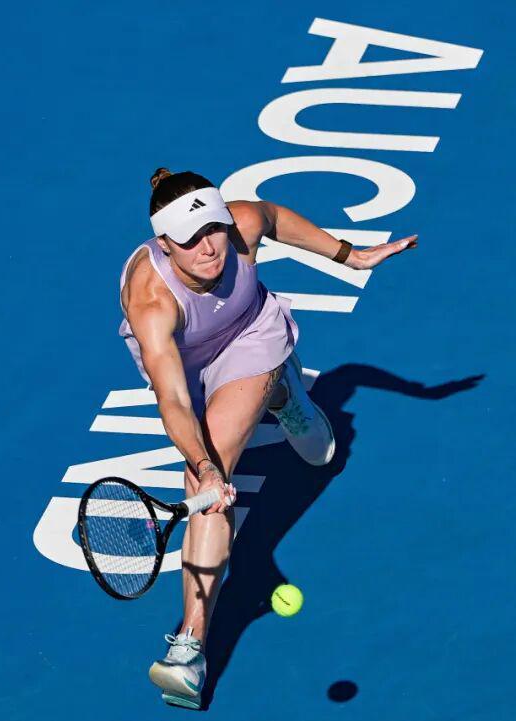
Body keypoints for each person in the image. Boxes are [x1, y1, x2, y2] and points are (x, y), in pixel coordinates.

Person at [117, 168, 418, 708]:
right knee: (206, 470)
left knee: (221, 474)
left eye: (213, 228)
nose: (209, 247)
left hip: (249, 336)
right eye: (189, 239)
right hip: (186, 367)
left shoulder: (241, 226)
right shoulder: (151, 300)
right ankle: (281, 392)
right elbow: (173, 400)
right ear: (164, 243)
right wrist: (205, 465)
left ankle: (188, 649)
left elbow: (275, 218)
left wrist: (351, 256)